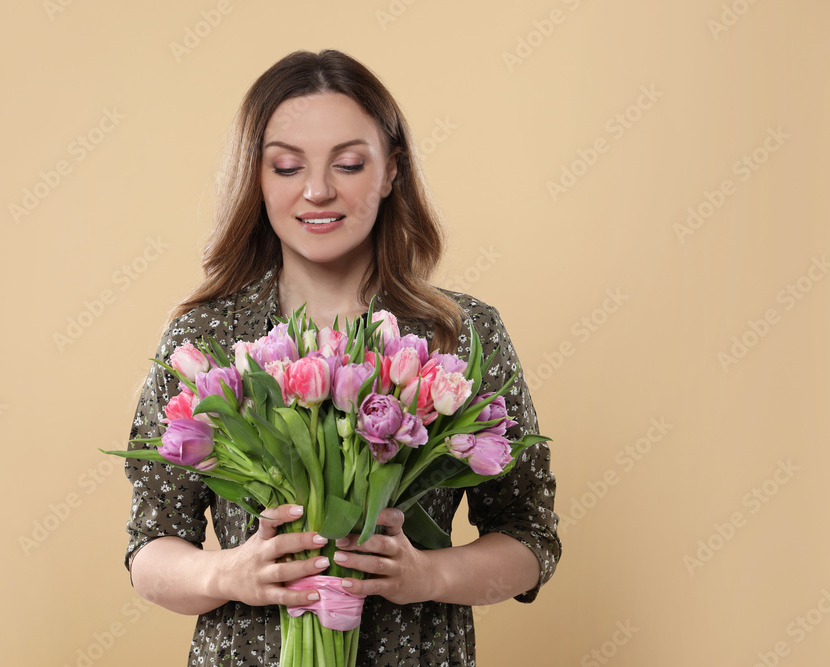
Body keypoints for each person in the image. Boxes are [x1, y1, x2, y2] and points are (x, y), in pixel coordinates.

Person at [123, 49, 560, 667]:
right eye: (285, 166)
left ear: (391, 172)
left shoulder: (457, 334)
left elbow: (530, 538)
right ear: (257, 177)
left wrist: (427, 577)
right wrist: (231, 574)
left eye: (350, 163)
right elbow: (149, 550)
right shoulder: (207, 338)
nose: (318, 190)